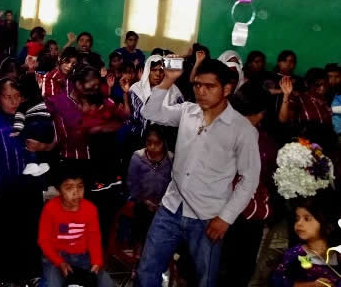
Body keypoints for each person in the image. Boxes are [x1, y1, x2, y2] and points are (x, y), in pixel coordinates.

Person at [135, 58, 260, 287]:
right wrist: (168, 81)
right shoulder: (188, 111)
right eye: (197, 85)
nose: (201, 91)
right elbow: (150, 111)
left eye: (209, 86)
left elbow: (249, 179)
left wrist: (225, 218)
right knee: (147, 269)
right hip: (172, 207)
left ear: (227, 89)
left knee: (205, 278)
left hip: (208, 216)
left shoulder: (242, 130)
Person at [0, 78, 49, 284]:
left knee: (27, 230)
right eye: (8, 97)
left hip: (29, 184)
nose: (14, 101)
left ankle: (28, 273)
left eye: (17, 96)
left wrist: (41, 146)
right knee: (2, 232)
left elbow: (52, 142)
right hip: (1, 185)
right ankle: (0, 275)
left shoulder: (30, 116)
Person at [218, 83, 277, 287]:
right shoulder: (259, 140)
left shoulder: (261, 138)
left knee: (238, 265)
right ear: (261, 112)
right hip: (228, 210)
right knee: (230, 265)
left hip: (246, 211)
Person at [38, 167, 115, 287]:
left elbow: (94, 239)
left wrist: (96, 262)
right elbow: (44, 241)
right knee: (53, 284)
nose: (76, 192)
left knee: (107, 283)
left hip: (82, 256)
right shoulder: (50, 209)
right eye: (69, 188)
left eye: (80, 187)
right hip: (56, 256)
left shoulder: (90, 209)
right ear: (59, 190)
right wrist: (60, 262)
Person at [270, 192, 341, 287]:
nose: (299, 223)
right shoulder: (294, 254)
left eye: (307, 219)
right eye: (297, 219)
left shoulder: (337, 254)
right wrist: (311, 285)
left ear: (327, 223)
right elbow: (277, 281)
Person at [127, 126, 173, 259]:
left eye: (157, 143)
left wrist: (162, 203)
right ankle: (138, 255)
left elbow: (174, 184)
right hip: (141, 203)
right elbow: (132, 183)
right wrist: (144, 200)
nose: (152, 147)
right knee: (142, 219)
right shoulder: (138, 157)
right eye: (149, 142)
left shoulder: (171, 159)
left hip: (164, 204)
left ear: (164, 142)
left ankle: (157, 257)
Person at [124, 55, 184, 140]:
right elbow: (139, 117)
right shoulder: (137, 89)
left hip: (168, 135)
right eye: (153, 70)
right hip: (141, 133)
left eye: (161, 70)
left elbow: (181, 116)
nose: (158, 74)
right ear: (147, 71)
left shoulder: (174, 90)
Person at [12, 73, 54, 176]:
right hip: (49, 127)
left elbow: (19, 119)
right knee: (41, 144)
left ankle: (32, 164)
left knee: (28, 143)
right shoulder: (41, 100)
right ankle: (43, 164)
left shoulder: (23, 105)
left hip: (34, 126)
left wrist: (17, 132)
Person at [327, 63, 341, 135]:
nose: (333, 80)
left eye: (337, 76)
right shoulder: (321, 93)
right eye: (330, 77)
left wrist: (332, 110)